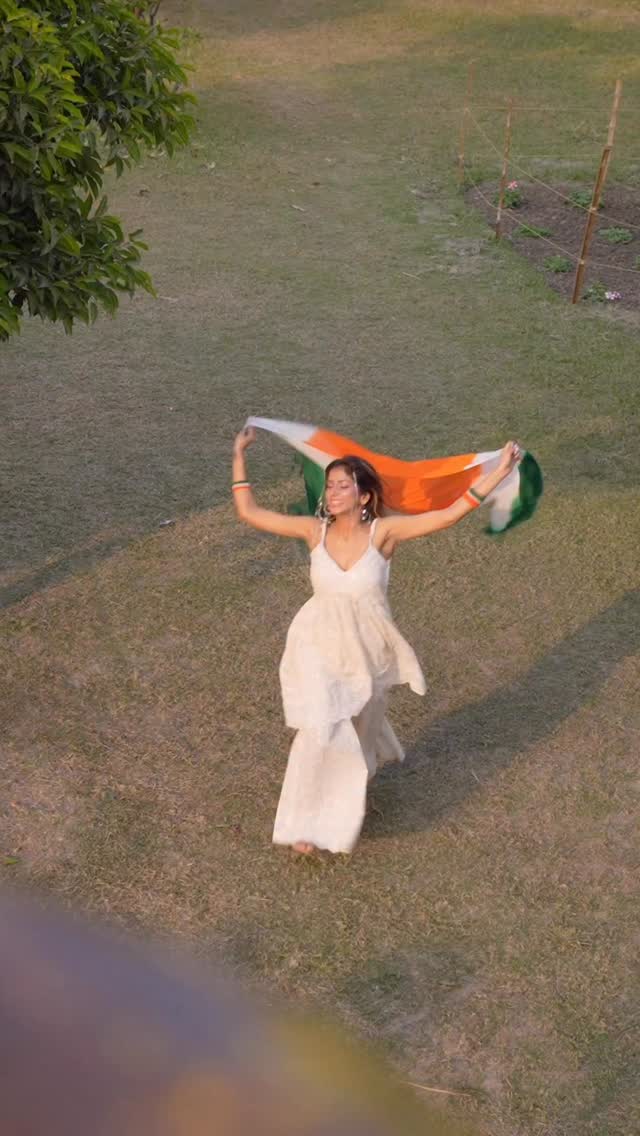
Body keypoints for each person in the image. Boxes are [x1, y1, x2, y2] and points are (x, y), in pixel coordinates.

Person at [232, 426, 521, 856]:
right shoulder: (314, 532)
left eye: (342, 486)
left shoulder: (384, 534)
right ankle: (305, 825)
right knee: (320, 729)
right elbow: (249, 512)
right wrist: (240, 455)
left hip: (367, 649)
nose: (332, 493)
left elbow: (447, 516)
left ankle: (349, 793)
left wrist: (497, 473)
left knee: (360, 735)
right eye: (330, 485)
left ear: (364, 496)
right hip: (315, 644)